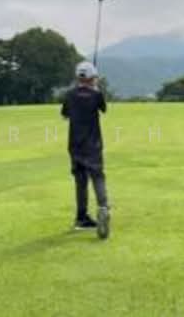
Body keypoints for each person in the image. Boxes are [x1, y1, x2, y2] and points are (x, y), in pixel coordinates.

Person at [61, 61, 110, 239]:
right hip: (93, 145)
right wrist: (96, 89)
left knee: (80, 181)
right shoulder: (96, 94)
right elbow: (103, 109)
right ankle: (103, 208)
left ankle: (81, 218)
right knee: (98, 177)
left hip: (75, 145)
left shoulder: (69, 94)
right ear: (92, 77)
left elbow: (65, 114)